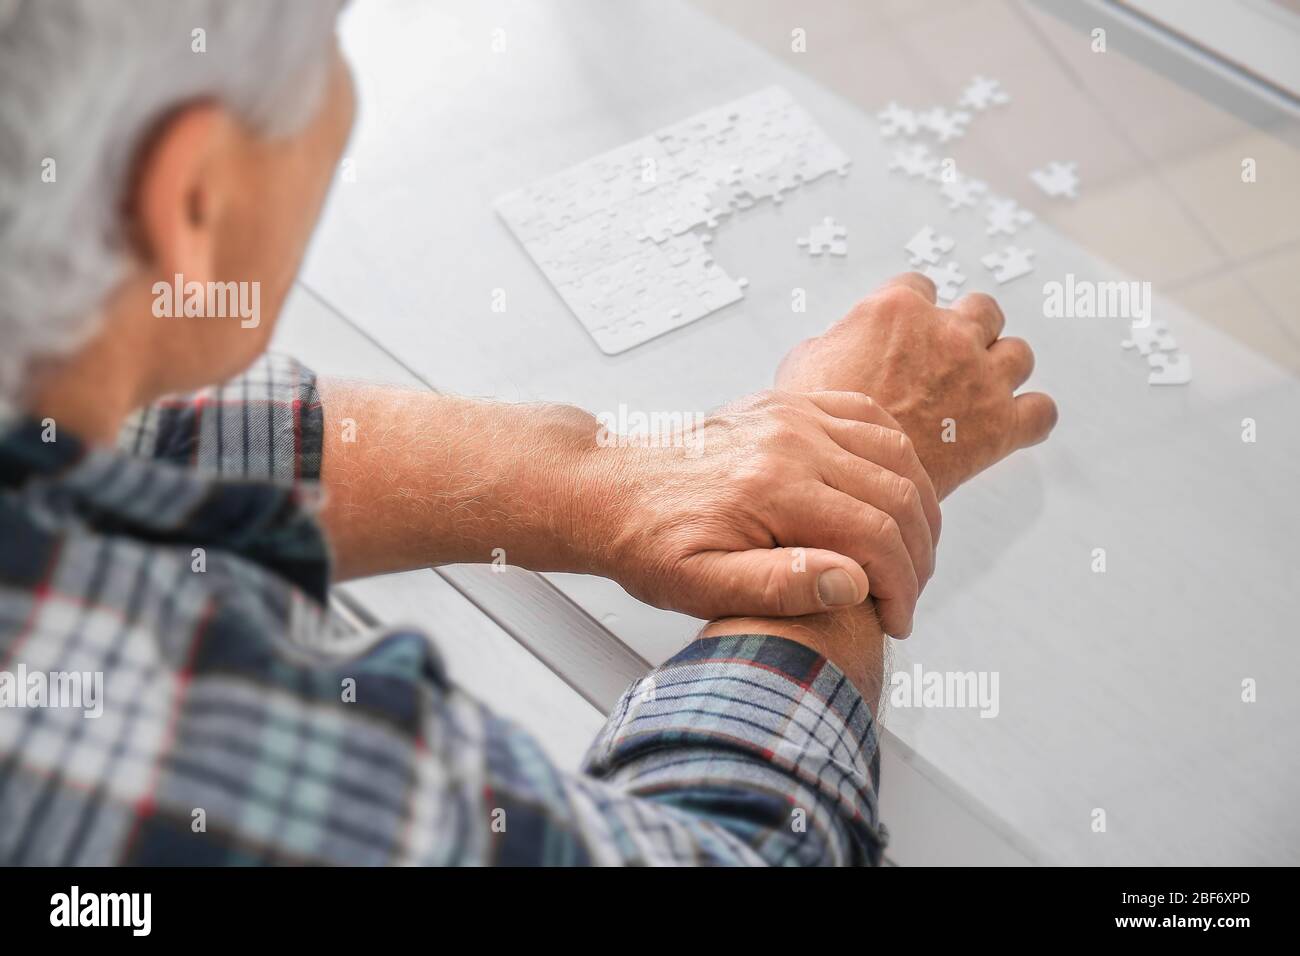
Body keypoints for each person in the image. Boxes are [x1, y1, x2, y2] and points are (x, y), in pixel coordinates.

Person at [0, 1, 1055, 865]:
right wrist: (864, 467)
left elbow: (134, 439)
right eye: (333, 47)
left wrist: (585, 477)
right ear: (193, 203)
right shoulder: (114, 730)